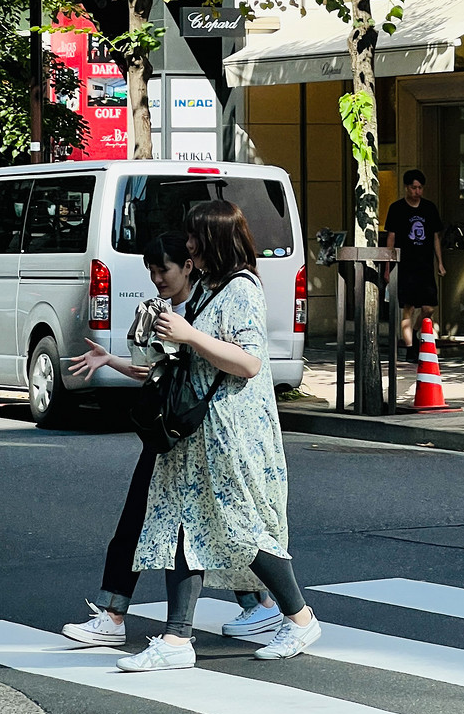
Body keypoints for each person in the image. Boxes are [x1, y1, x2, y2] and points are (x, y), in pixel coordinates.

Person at [118, 201, 320, 672]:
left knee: (239, 528)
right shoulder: (209, 288)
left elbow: (249, 362)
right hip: (195, 432)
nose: (187, 245)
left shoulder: (241, 289)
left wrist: (189, 336)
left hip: (231, 432)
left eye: (193, 237)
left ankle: (299, 615)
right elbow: (193, 351)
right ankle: (176, 639)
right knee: (181, 525)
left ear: (213, 240)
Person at [60, 233, 279, 648]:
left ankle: (267, 606)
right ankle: (118, 613)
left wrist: (189, 336)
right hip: (171, 434)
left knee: (224, 525)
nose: (157, 277)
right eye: (151, 270)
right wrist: (110, 361)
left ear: (189, 266)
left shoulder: (209, 306)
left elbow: (244, 362)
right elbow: (157, 373)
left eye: (164, 269)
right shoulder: (158, 311)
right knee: (145, 520)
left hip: (209, 433)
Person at [384, 170, 445, 359]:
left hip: (425, 264)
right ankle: (410, 347)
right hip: (405, 265)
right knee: (408, 309)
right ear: (406, 187)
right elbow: (391, 238)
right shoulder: (397, 208)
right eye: (413, 187)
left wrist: (440, 263)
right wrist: (388, 266)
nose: (417, 191)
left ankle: (417, 334)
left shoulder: (429, 208)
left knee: (429, 308)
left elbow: (435, 237)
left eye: (420, 188)